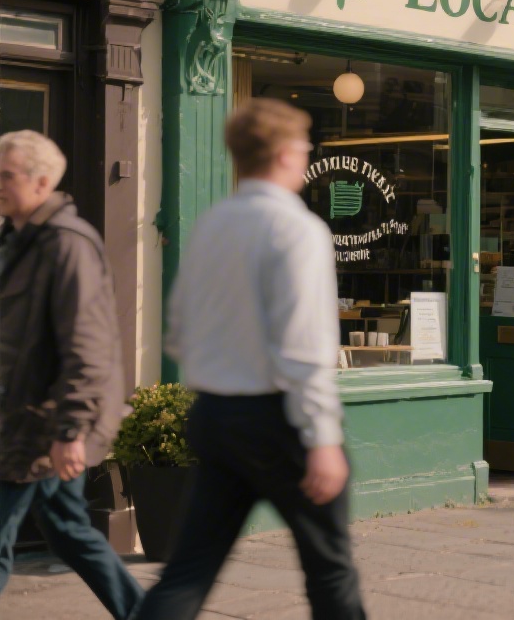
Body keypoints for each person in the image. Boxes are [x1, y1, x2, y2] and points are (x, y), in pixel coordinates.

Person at [134, 99, 365, 619]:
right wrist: (323, 437)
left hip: (215, 415)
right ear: (284, 153)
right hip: (281, 420)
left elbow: (177, 332)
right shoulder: (298, 229)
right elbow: (305, 347)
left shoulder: (212, 224)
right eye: (304, 145)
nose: (307, 155)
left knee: (188, 570)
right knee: (329, 569)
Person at [0, 131, 142, 619]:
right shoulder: (17, 241)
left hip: (42, 425)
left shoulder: (67, 244)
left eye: (6, 175)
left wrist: (70, 429)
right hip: (22, 419)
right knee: (70, 532)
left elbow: (87, 346)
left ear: (41, 182)